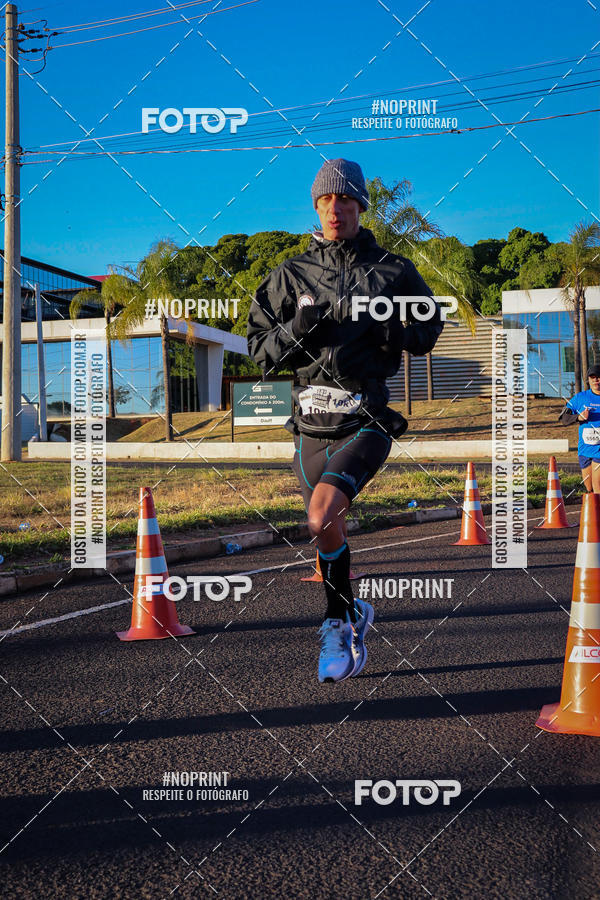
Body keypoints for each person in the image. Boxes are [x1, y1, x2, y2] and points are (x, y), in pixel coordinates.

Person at [247, 158, 443, 683]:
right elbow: (260, 353)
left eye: (348, 200)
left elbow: (427, 332)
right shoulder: (289, 275)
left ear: (361, 205)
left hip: (366, 417)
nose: (337, 209)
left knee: (320, 516)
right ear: (316, 206)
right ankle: (354, 611)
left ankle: (335, 622)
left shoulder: (393, 269)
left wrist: (392, 329)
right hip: (310, 424)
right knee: (325, 528)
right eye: (327, 200)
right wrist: (298, 326)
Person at [559, 364, 600, 492]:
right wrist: (579, 417)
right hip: (584, 450)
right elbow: (563, 419)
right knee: (589, 488)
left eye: (599, 377)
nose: (596, 380)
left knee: (597, 486)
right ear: (588, 379)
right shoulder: (580, 398)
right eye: (592, 377)